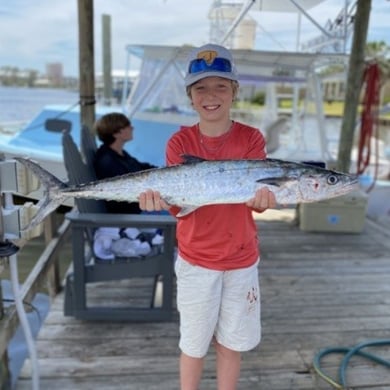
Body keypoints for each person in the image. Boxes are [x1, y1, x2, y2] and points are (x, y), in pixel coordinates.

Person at [139, 43, 276, 390]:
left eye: (220, 86)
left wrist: (262, 201)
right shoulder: (179, 141)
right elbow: (178, 204)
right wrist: (158, 201)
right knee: (194, 343)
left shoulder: (251, 138)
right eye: (201, 87)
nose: (211, 95)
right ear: (190, 95)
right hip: (196, 259)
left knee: (231, 342)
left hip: (241, 259)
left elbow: (254, 201)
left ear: (234, 92)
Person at [93, 112, 156, 214]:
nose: (132, 128)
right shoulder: (108, 162)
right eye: (127, 126)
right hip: (130, 215)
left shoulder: (119, 154)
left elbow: (142, 167)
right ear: (116, 133)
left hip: (139, 206)